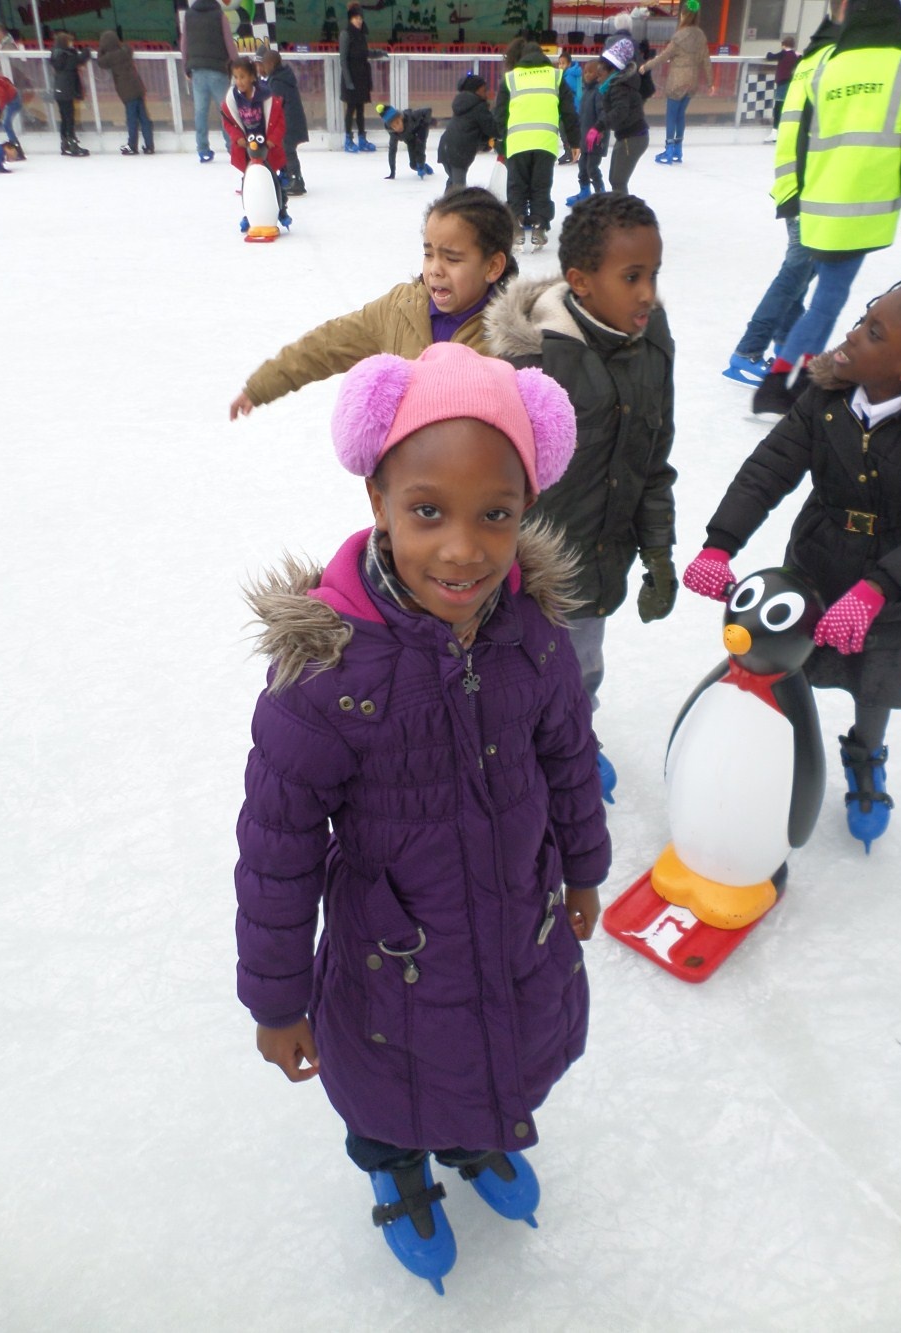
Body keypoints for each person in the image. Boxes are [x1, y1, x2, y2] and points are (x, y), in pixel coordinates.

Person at [234, 340, 610, 1293]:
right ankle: (397, 1164)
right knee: (389, 1083)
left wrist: (584, 867)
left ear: (527, 506)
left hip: (516, 924)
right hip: (389, 962)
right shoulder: (326, 677)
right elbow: (277, 854)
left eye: (497, 513)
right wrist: (278, 1000)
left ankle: (474, 1136)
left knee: (497, 1041)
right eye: (428, 511)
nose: (464, 548)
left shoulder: (534, 637)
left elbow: (571, 756)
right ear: (379, 500)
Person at [684, 277, 901, 851]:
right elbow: (768, 470)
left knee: (876, 686)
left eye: (874, 333)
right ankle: (781, 751)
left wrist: (878, 589)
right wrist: (720, 543)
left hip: (894, 590)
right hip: (814, 567)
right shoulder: (827, 398)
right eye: (864, 318)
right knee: (790, 670)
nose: (852, 334)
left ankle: (865, 755)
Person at [485, 193, 678, 801]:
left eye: (653, 275)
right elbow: (492, 474)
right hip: (521, 566)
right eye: (631, 277)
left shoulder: (653, 346)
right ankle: (507, 751)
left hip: (595, 563)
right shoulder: (534, 361)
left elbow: (652, 462)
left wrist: (659, 553)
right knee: (509, 668)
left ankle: (573, 736)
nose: (647, 294)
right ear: (581, 281)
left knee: (583, 666)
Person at [752, 0, 901, 418]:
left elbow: (801, 137)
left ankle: (793, 378)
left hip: (818, 203)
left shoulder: (827, 66)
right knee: (827, 300)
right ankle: (782, 381)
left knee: (825, 296)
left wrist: (795, 194)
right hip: (863, 208)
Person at [229, 186, 518, 420]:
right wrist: (263, 384)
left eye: (452, 258)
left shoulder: (513, 341)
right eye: (429, 254)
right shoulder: (400, 309)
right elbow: (329, 344)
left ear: (493, 266)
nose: (435, 270)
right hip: (400, 470)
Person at [720, 6, 847, 386]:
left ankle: (785, 344)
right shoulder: (831, 69)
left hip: (797, 188)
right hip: (812, 193)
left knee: (801, 276)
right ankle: (747, 351)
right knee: (794, 275)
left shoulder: (809, 65)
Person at [493, 37, 580, 251]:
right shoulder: (556, 76)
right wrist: (574, 142)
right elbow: (569, 112)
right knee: (541, 186)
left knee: (517, 186)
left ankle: (517, 228)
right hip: (545, 142)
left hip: (517, 142)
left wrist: (500, 140)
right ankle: (539, 227)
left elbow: (500, 115)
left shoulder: (511, 78)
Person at [638, 0, 714, 165]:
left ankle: (669, 149)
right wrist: (710, 83)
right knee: (680, 115)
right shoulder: (700, 35)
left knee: (671, 115)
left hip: (677, 81)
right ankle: (678, 149)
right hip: (692, 81)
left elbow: (663, 56)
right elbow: (706, 60)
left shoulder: (679, 37)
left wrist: (646, 66)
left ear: (684, 14)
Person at [221, 55, 288, 227]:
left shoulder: (266, 97)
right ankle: (249, 215)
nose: (239, 81)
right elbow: (229, 123)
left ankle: (281, 211)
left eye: (242, 77)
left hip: (267, 148)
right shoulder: (233, 99)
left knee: (273, 181)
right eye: (236, 77)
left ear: (252, 77)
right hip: (247, 150)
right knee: (248, 183)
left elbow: (279, 122)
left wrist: (272, 139)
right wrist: (238, 138)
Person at [586, 38, 650, 196]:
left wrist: (599, 127)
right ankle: (620, 207)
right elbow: (613, 111)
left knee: (618, 181)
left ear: (611, 71)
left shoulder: (619, 87)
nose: (598, 79)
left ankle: (623, 210)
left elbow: (620, 111)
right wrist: (601, 128)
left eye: (600, 75)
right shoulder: (615, 84)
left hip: (634, 136)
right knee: (614, 178)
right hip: (627, 136)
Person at [180, 0, 238, 163]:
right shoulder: (220, 15)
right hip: (218, 69)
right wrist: (237, 64)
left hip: (197, 70)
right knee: (226, 111)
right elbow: (229, 42)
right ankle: (232, 147)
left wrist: (186, 67)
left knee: (200, 111)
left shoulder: (189, 15)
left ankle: (203, 149)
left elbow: (184, 44)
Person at [96, 29, 154, 156]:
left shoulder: (110, 57)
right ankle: (149, 146)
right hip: (138, 87)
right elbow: (128, 47)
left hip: (127, 92)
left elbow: (100, 62)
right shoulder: (125, 51)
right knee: (144, 117)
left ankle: (132, 145)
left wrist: (101, 50)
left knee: (131, 119)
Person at [259, 46, 308, 195]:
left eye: (264, 65)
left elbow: (275, 104)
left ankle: (296, 181)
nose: (263, 68)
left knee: (288, 151)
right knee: (286, 150)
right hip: (292, 121)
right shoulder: (282, 77)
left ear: (271, 64)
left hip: (289, 122)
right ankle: (293, 178)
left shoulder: (278, 82)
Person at [437, 74, 497, 194]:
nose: (486, 93)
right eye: (484, 90)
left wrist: (485, 143)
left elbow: (471, 128)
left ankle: (446, 204)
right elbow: (493, 129)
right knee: (459, 192)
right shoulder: (478, 107)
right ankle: (453, 205)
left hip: (445, 147)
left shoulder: (463, 104)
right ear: (475, 90)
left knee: (453, 184)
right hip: (459, 152)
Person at [566, 57, 606, 206]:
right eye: (585, 72)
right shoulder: (586, 92)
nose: (587, 75)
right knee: (582, 167)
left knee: (592, 168)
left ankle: (600, 194)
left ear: (598, 74)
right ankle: (584, 191)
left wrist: (599, 131)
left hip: (596, 140)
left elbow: (603, 113)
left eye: (591, 72)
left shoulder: (598, 92)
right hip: (585, 139)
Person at [340, 2, 376, 153]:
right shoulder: (346, 34)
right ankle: (348, 139)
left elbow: (364, 52)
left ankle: (362, 139)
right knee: (351, 109)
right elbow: (343, 59)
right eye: (356, 18)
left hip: (362, 77)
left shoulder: (361, 35)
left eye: (360, 18)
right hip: (351, 77)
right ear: (350, 19)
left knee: (361, 109)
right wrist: (348, 81)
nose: (359, 21)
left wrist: (378, 53)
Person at [50, 32, 91, 158]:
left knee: (64, 118)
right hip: (67, 90)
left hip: (59, 89)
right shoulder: (68, 55)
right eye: (70, 41)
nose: (72, 44)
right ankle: (72, 144)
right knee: (69, 118)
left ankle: (65, 144)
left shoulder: (56, 54)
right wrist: (87, 50)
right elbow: (80, 59)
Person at [377, 101, 434, 179]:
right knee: (413, 165)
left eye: (397, 122)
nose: (397, 127)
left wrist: (425, 124)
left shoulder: (411, 116)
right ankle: (423, 166)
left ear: (401, 117)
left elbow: (428, 110)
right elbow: (392, 151)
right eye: (394, 126)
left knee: (419, 147)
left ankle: (421, 165)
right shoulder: (394, 134)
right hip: (410, 138)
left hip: (420, 130)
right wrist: (392, 172)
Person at [764, 34, 800, 138]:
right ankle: (783, 130)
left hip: (782, 83)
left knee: (778, 107)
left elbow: (770, 57)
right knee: (786, 107)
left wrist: (768, 53)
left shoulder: (783, 54)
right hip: (791, 83)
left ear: (783, 45)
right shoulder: (795, 55)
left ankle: (775, 131)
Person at [556, 51, 582, 164]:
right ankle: (570, 151)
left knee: (563, 129)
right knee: (566, 129)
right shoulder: (570, 74)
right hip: (573, 107)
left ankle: (569, 151)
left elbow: (564, 91)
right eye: (559, 63)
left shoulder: (569, 75)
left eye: (563, 63)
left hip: (570, 107)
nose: (560, 66)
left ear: (569, 64)